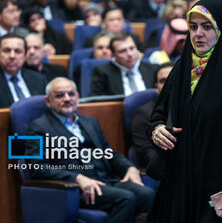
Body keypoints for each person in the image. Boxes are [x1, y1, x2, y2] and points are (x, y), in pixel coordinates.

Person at [147, 0, 222, 222]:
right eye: (192, 27)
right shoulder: (182, 67)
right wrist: (157, 130)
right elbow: (157, 116)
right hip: (179, 177)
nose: (198, 34)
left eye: (206, 27)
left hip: (218, 180)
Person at [25, 77, 155, 223]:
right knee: (126, 199)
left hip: (106, 180)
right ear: (48, 101)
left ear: (78, 97)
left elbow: (109, 153)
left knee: (148, 195)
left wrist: (130, 167)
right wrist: (77, 178)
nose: (67, 98)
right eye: (60, 95)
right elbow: (38, 167)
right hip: (75, 189)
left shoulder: (90, 122)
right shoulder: (38, 127)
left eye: (71, 94)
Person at [131, 63, 173, 168]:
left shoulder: (196, 108)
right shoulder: (144, 113)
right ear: (156, 87)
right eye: (163, 81)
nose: (169, 84)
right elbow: (147, 154)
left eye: (173, 78)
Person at [89, 32, 158, 96]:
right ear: (113, 55)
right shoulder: (102, 73)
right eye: (122, 51)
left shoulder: (153, 69)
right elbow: (96, 103)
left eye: (132, 48)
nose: (130, 54)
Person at [0, 33, 46, 108]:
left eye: (18, 51)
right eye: (7, 51)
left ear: (25, 55)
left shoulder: (38, 79)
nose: (12, 56)